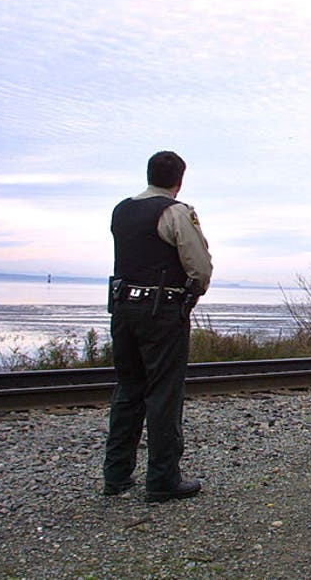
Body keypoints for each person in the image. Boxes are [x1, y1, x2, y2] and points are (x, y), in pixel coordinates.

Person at [103, 150, 213, 502]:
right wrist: (192, 295)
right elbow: (199, 265)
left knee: (128, 389)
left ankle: (116, 474)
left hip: (122, 308)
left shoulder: (122, 210)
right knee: (164, 393)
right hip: (161, 311)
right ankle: (163, 479)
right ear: (179, 180)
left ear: (148, 174)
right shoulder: (175, 212)